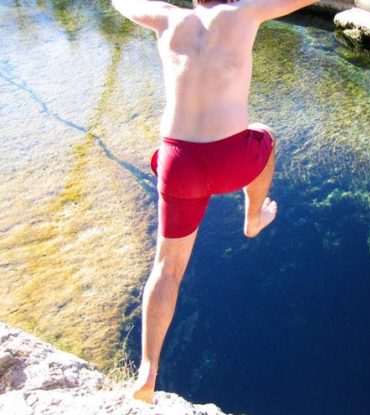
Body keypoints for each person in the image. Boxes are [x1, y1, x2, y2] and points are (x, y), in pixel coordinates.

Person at [111, 0, 319, 404]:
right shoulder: (243, 13)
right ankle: (253, 215)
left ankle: (147, 370)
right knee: (265, 133)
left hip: (179, 163)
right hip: (231, 160)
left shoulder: (167, 19)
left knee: (167, 268)